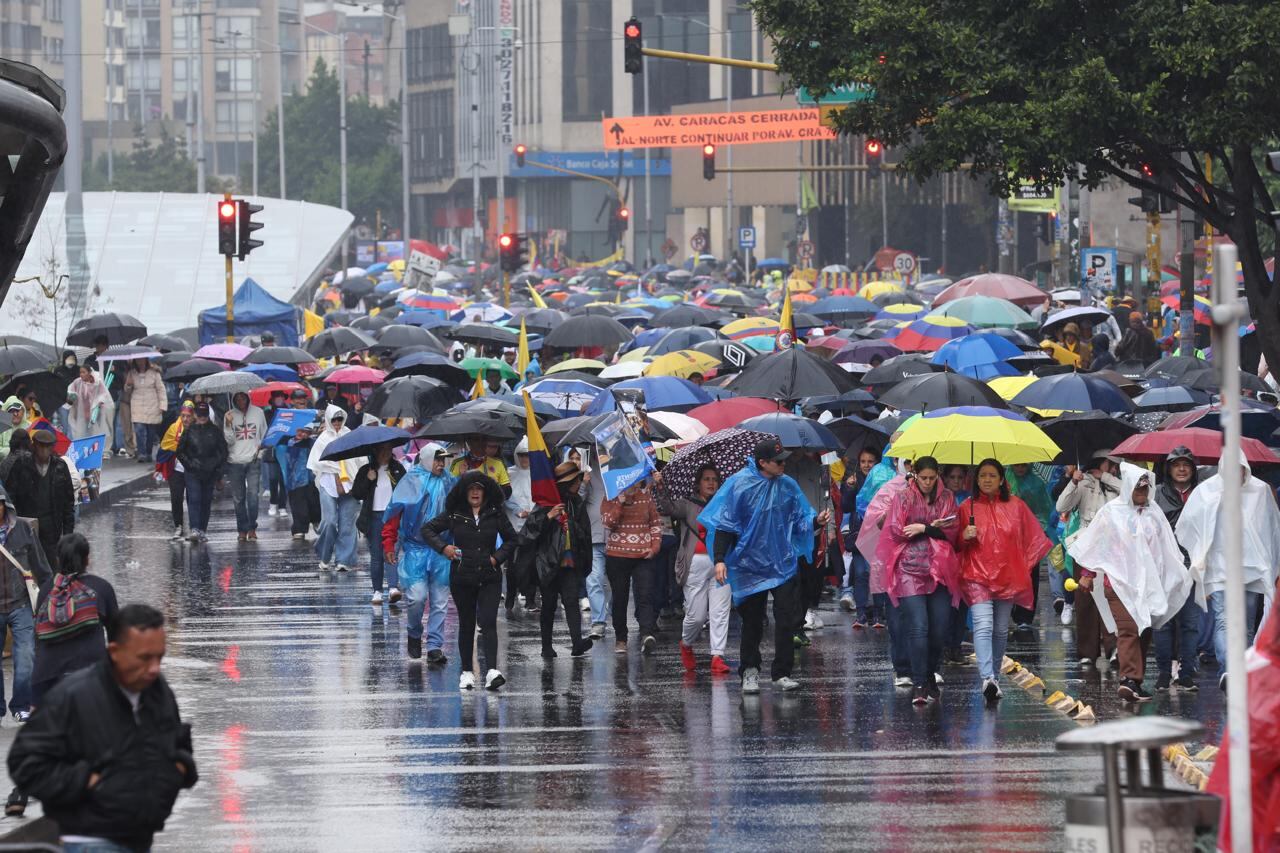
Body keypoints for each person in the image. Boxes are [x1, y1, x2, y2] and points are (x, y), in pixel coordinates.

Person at [8, 604, 198, 853]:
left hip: (139, 836)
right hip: (90, 839)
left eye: (159, 657)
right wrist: (87, 781)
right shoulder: (73, 696)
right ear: (115, 652)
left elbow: (176, 743)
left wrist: (178, 768)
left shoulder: (157, 692)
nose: (154, 668)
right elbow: (24, 763)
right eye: (144, 658)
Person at [700, 439, 823, 695]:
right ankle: (750, 670)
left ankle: (782, 673)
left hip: (782, 563)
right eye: (778, 461)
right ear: (762, 462)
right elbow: (725, 524)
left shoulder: (787, 485)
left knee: (787, 618)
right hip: (750, 564)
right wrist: (720, 558)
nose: (783, 464)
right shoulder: (740, 485)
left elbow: (799, 519)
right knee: (753, 621)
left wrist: (816, 522)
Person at [1070, 464, 1193, 703]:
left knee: (1143, 629)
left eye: (1146, 487)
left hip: (1148, 584)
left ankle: (1135, 681)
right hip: (1118, 582)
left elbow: (1166, 547)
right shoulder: (1111, 512)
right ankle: (1128, 679)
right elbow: (1097, 544)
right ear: (1128, 487)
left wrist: (1176, 573)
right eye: (1138, 487)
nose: (1142, 492)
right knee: (1128, 629)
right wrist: (1088, 573)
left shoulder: (1154, 513)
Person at [1176, 450, 1280, 692]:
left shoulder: (1260, 491)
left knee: (1246, 624)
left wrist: (1272, 564)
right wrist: (1200, 558)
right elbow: (1188, 525)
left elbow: (1272, 527)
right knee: (1223, 621)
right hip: (1219, 567)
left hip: (1252, 568)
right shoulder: (1207, 491)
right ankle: (1229, 669)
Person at [957, 460, 1052, 700]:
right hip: (976, 576)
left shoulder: (1016, 506)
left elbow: (1033, 538)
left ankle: (995, 678)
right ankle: (987, 677)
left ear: (1002, 479)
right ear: (976, 480)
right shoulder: (966, 507)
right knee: (983, 624)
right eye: (982, 475)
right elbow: (954, 544)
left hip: (1007, 576)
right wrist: (964, 536)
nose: (987, 480)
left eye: (992, 475)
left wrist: (1021, 566)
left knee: (1000, 630)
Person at [423, 471, 519, 690]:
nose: (475, 493)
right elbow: (427, 529)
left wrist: (496, 558)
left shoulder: (495, 513)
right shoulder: (454, 514)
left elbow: (512, 539)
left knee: (488, 621)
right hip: (462, 577)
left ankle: (492, 671)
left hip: (489, 576)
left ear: (485, 492)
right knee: (466, 623)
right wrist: (444, 548)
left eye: (479, 489)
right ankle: (466, 672)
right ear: (464, 492)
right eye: (471, 489)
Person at [877, 456, 961, 705]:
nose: (927, 482)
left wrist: (924, 528)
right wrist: (926, 528)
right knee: (918, 626)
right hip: (909, 569)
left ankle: (930, 671)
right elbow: (895, 530)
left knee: (939, 628)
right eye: (923, 478)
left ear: (938, 476)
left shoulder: (947, 498)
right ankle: (920, 682)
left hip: (939, 569)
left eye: (932, 478)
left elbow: (952, 530)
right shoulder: (903, 497)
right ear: (915, 475)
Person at [382, 443, 455, 662]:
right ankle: (414, 633)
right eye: (437, 459)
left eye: (443, 460)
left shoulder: (450, 482)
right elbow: (395, 511)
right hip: (416, 550)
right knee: (417, 598)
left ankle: (434, 646)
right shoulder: (411, 481)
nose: (441, 464)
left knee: (440, 602)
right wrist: (389, 543)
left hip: (442, 549)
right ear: (427, 459)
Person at [655, 465, 732, 675]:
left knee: (720, 612)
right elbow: (667, 508)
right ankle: (686, 643)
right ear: (698, 484)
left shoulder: (723, 504)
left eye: (714, 479)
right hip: (694, 564)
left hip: (721, 564)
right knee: (697, 616)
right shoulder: (687, 504)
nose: (711, 483)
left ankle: (717, 656)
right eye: (706, 479)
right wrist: (660, 485)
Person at [521, 460, 595, 659]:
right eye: (575, 481)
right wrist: (549, 517)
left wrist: (571, 525)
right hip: (549, 563)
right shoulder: (545, 504)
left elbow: (584, 532)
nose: (578, 483)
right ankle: (546, 646)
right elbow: (529, 532)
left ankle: (577, 643)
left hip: (570, 563)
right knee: (549, 604)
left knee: (571, 601)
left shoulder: (576, 503)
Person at [1056, 453, 1122, 667]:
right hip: (1086, 546)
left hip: (1112, 547)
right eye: (1110, 463)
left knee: (1110, 597)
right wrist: (1073, 482)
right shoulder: (1083, 482)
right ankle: (1087, 651)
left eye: (1115, 464)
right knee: (1085, 598)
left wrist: (1106, 477)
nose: (1114, 467)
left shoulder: (1117, 483)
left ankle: (1114, 648)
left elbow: (1131, 497)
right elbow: (1061, 506)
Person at [1151, 445, 1204, 691]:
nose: (1182, 469)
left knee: (1190, 623)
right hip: (1164, 566)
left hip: (1193, 565)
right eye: (1176, 465)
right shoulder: (1156, 494)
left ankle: (1186, 673)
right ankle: (1164, 672)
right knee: (1163, 620)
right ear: (1168, 468)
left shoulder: (1202, 494)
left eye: (1186, 465)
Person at [0, 485, 50, 722]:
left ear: (5, 505)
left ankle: (21, 705)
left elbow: (41, 566)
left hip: (20, 604)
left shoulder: (22, 529)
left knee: (26, 656)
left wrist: (48, 600)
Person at [601, 479, 664, 655]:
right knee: (620, 598)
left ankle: (646, 634)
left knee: (646, 596)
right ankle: (621, 638)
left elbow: (655, 524)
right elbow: (607, 523)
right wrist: (620, 503)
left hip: (643, 555)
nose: (633, 485)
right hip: (617, 555)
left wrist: (654, 547)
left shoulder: (646, 496)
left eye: (636, 481)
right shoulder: (610, 495)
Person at [2, 429, 76, 571]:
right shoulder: (21, 465)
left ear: (52, 447)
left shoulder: (60, 467)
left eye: (47, 447)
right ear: (34, 445)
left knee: (51, 567)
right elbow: (10, 497)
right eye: (41, 446)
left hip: (52, 527)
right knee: (28, 568)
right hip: (27, 525)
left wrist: (68, 535)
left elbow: (68, 504)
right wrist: (11, 526)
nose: (43, 451)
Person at [307, 405, 361, 572]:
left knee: (347, 524)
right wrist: (335, 471)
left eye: (340, 419)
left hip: (350, 483)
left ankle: (344, 560)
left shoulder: (350, 435)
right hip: (328, 483)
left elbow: (359, 459)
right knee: (329, 522)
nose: (337, 422)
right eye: (334, 419)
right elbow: (316, 463)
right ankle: (324, 555)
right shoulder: (322, 439)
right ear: (328, 420)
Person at [350, 441, 405, 605]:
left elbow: (407, 491)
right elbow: (357, 494)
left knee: (391, 551)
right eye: (382, 449)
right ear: (375, 451)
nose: (385, 452)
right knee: (376, 556)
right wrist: (368, 480)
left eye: (388, 449)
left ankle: (393, 587)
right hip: (373, 517)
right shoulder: (366, 470)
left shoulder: (397, 469)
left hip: (393, 516)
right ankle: (377, 591)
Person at [1006, 462, 1057, 631]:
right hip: (1008, 537)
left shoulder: (1037, 484)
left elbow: (1044, 509)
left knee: (1030, 575)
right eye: (1017, 465)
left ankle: (1026, 616)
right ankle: (1009, 609)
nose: (1020, 469)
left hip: (1030, 535)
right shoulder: (1003, 482)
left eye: (1023, 465)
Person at [839, 447, 882, 627]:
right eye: (863, 461)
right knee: (861, 573)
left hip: (878, 531)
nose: (866, 465)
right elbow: (846, 506)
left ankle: (878, 613)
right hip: (859, 532)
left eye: (870, 461)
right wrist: (849, 488)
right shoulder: (853, 480)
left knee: (877, 572)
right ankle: (861, 613)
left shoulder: (882, 479)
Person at [176, 402, 227, 543]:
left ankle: (202, 530)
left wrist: (217, 470)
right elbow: (180, 451)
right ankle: (194, 529)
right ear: (196, 415)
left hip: (210, 472)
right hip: (193, 472)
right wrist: (190, 465)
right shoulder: (189, 430)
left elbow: (223, 452)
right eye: (200, 415)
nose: (202, 418)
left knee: (206, 501)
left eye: (204, 415)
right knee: (194, 498)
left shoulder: (215, 431)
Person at [223, 390, 268, 542]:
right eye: (237, 398)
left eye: (243, 397)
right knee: (238, 498)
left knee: (253, 496)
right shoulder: (229, 415)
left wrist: (261, 450)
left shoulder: (258, 412)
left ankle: (252, 527)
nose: (241, 400)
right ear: (233, 399)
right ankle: (242, 529)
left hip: (253, 460)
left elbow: (264, 434)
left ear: (248, 398)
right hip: (235, 462)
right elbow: (229, 441)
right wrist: (228, 424)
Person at [156, 401, 194, 539]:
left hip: (192, 470)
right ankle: (178, 526)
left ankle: (194, 527)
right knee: (176, 498)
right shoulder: (173, 428)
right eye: (183, 415)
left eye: (188, 416)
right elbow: (164, 447)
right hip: (176, 470)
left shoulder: (198, 429)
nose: (185, 419)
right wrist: (159, 468)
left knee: (193, 499)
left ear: (193, 416)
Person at [278, 420, 320, 540]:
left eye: (305, 432)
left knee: (314, 503)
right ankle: (299, 528)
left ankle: (317, 521)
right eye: (300, 431)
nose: (302, 434)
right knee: (298, 506)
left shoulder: (312, 442)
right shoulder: (288, 443)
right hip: (294, 481)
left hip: (311, 479)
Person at [125, 359, 165, 463]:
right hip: (137, 404)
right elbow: (127, 391)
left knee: (151, 432)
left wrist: (162, 405)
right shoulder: (132, 373)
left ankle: (148, 452)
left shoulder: (154, 373)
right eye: (138, 361)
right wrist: (128, 385)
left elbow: (161, 389)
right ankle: (141, 453)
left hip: (152, 404)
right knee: (139, 430)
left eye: (142, 360)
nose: (140, 362)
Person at [67, 366, 114, 450]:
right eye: (80, 372)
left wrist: (100, 401)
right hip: (81, 414)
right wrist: (71, 397)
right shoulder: (77, 382)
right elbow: (71, 392)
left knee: (96, 432)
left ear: (89, 373)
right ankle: (81, 450)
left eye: (83, 372)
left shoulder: (97, 382)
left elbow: (103, 394)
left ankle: (98, 450)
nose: (81, 374)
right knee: (80, 433)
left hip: (95, 413)